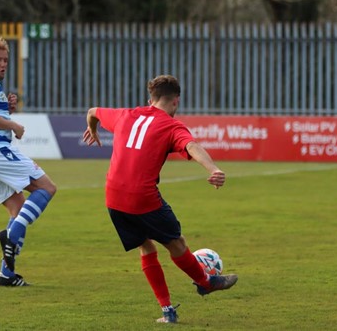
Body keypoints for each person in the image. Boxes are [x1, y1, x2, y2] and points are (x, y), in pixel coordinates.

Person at [82, 75, 238, 324]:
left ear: (150, 99)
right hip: (142, 196)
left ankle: (167, 312)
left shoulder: (126, 114)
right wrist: (213, 169)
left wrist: (92, 129)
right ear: (176, 101)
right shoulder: (171, 125)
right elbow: (192, 146)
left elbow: (92, 111)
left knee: (146, 246)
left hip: (113, 196)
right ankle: (205, 282)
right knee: (176, 243)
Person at [0, 37, 57, 286]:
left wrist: (7, 109)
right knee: (47, 188)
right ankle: (11, 236)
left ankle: (6, 274)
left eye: (5, 60)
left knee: (18, 209)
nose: (3, 64)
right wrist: (13, 124)